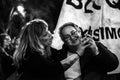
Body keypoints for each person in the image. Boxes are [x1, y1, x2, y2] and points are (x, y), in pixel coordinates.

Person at [13, 19, 79, 80]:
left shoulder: (46, 49)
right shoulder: (31, 56)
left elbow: (60, 56)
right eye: (45, 35)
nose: (50, 35)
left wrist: (68, 42)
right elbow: (54, 69)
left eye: (48, 31)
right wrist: (78, 54)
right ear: (36, 40)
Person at [53, 22, 119, 80]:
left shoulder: (95, 45)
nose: (72, 38)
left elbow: (113, 65)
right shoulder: (60, 55)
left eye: (73, 33)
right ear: (64, 41)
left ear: (79, 31)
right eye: (67, 37)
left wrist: (96, 52)